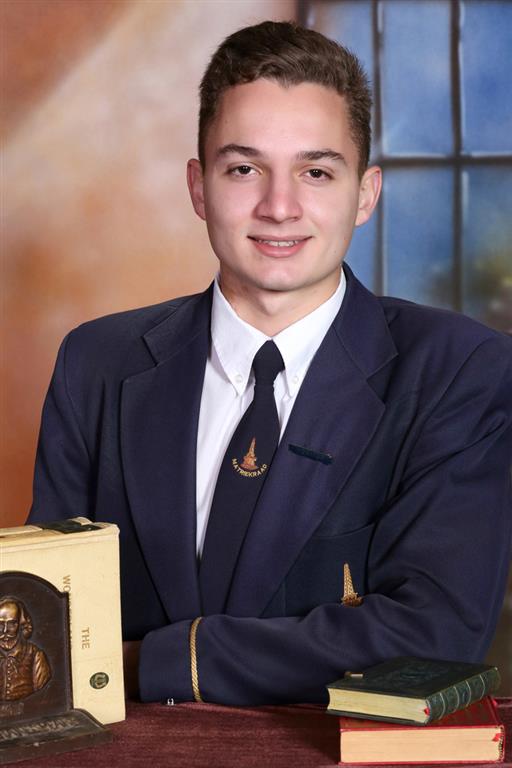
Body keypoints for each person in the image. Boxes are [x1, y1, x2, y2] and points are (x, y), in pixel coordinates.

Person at [28, 21, 512, 706]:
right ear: (199, 187)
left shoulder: (458, 371)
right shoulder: (96, 364)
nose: (279, 207)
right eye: (243, 169)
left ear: (365, 194)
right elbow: (45, 619)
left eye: (316, 172)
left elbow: (434, 637)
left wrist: (154, 662)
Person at [0, 598, 51, 702]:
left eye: (11, 624)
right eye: (0, 624)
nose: (5, 630)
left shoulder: (36, 655)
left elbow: (42, 691)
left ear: (21, 624)